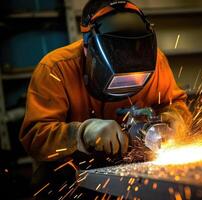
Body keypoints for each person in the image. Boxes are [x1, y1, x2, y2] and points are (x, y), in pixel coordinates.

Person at [19, 0, 191, 198]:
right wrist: (82, 133)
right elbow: (34, 137)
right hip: (72, 175)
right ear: (87, 48)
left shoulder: (156, 61)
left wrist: (175, 118)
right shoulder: (56, 68)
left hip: (136, 168)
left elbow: (176, 104)